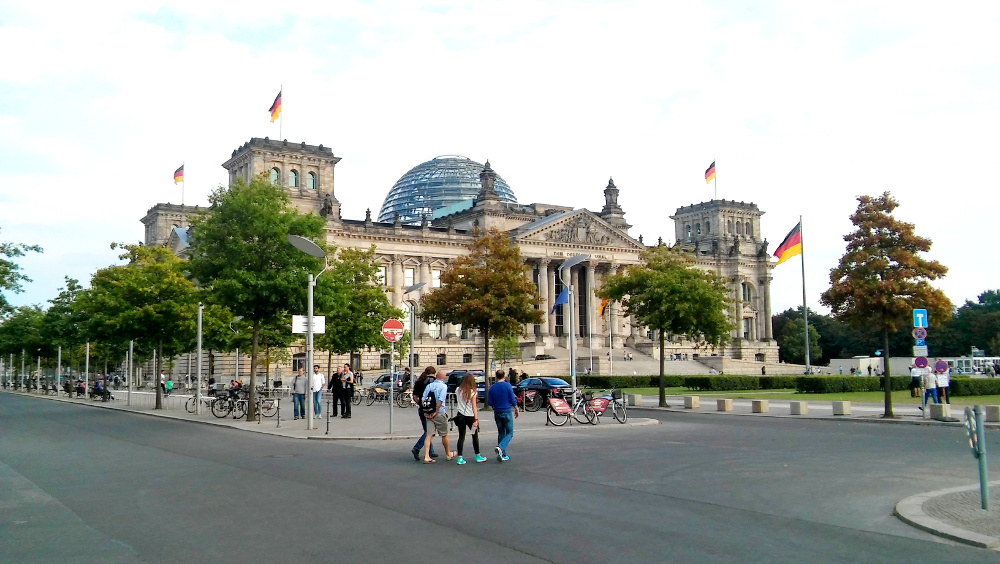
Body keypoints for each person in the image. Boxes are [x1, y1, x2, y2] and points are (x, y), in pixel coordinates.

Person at [421, 369, 454, 463]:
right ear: (444, 377)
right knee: (444, 434)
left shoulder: (429, 386)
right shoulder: (443, 386)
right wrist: (436, 411)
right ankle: (448, 454)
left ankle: (426, 456)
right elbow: (440, 400)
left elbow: (423, 399)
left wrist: (425, 411)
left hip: (428, 412)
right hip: (439, 413)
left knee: (429, 435)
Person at [487, 369, 519, 462]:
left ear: (496, 376)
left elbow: (490, 402)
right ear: (504, 376)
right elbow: (512, 399)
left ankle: (502, 453)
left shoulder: (492, 388)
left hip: (497, 412)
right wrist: (516, 408)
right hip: (506, 411)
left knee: (501, 432)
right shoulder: (507, 386)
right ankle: (501, 447)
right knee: (510, 432)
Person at [453, 373, 486, 464]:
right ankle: (478, 455)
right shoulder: (473, 392)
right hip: (470, 416)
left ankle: (460, 457)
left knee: (461, 436)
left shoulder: (458, 390)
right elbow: (474, 406)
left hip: (460, 416)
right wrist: (476, 419)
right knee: (474, 436)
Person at [411, 366, 439, 461]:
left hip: (421, 408)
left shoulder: (419, 382)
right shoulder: (431, 382)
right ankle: (417, 448)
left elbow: (414, 396)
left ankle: (430, 451)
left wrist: (420, 404)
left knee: (427, 429)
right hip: (430, 408)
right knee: (430, 431)